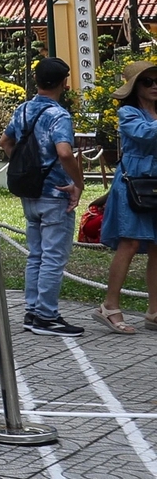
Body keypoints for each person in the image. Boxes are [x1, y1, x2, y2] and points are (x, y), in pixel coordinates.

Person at [1, 56, 84, 338]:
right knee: (53, 257)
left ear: (36, 81)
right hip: (56, 193)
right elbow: (64, 152)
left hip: (30, 192)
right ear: (64, 83)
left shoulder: (23, 109)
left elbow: (5, 141)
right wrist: (78, 182)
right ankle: (47, 316)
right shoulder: (59, 115)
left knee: (36, 254)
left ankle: (32, 310)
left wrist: (25, 167)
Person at [96, 60, 157, 334]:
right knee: (130, 242)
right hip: (134, 181)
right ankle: (109, 305)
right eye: (148, 82)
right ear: (136, 88)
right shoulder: (129, 113)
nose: (155, 86)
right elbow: (144, 135)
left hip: (153, 182)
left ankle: (154, 311)